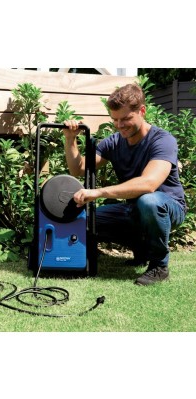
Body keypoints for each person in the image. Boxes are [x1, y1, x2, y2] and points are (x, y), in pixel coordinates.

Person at [62, 83, 187, 285]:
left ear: (142, 111)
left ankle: (159, 266)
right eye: (115, 120)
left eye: (126, 119)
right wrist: (70, 140)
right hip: (133, 208)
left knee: (149, 202)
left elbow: (148, 184)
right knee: (85, 219)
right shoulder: (114, 142)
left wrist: (99, 192)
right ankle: (141, 248)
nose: (120, 125)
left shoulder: (163, 140)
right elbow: (80, 169)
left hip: (168, 206)